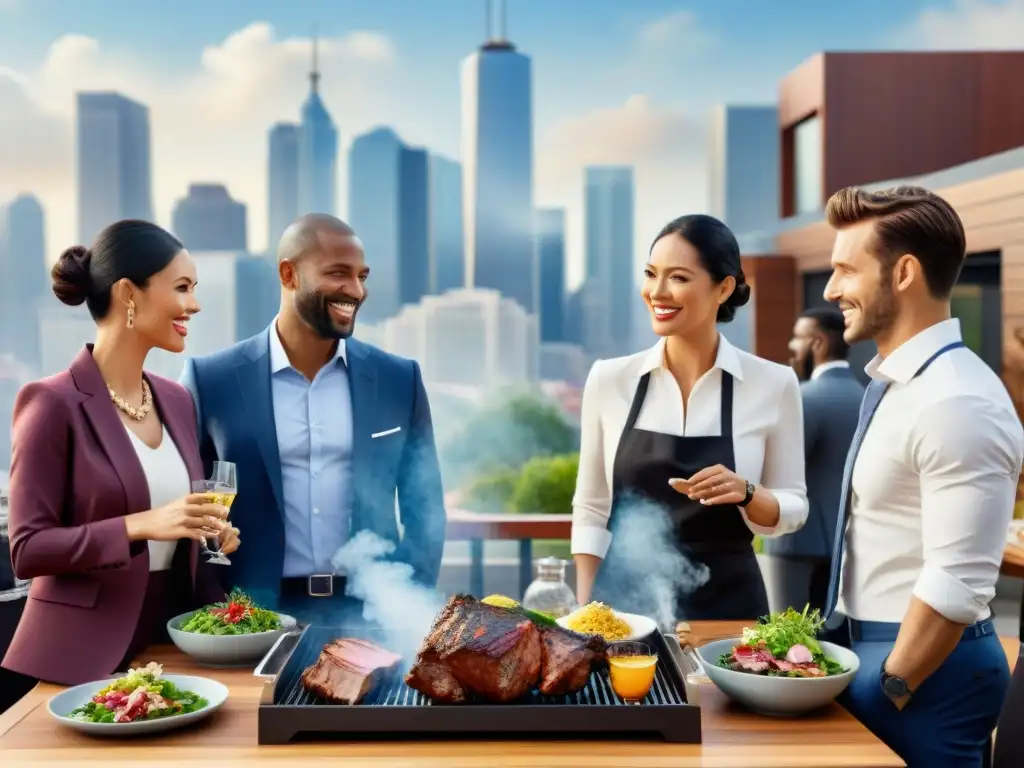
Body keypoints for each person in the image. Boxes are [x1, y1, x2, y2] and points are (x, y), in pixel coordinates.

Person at [821, 185, 1022, 768]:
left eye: (845, 270)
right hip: (878, 655)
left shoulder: (956, 399)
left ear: (903, 272)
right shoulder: (903, 386)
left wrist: (890, 685)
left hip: (923, 672)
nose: (832, 289)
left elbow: (956, 583)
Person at [1, 220, 238, 686]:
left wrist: (208, 537)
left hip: (176, 642)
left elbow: (176, 529)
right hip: (81, 654)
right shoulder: (50, 403)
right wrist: (142, 525)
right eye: (183, 287)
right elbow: (27, 549)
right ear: (130, 293)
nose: (195, 304)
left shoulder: (176, 399)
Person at [180, 213, 446, 624]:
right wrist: (215, 605)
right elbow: (187, 504)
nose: (355, 290)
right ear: (289, 274)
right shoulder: (211, 379)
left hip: (373, 614)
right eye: (338, 274)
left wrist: (405, 601)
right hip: (249, 617)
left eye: (362, 276)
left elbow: (425, 509)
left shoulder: (399, 379)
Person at [570, 213, 809, 622]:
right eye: (650, 274)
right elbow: (592, 508)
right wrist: (587, 614)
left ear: (724, 287)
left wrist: (748, 492)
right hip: (623, 611)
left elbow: (794, 506)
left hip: (731, 614)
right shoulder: (609, 379)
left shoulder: (775, 383)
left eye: (678, 278)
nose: (657, 292)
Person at [763, 307, 863, 614]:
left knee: (788, 644)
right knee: (829, 643)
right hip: (846, 544)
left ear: (817, 343)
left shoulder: (804, 397)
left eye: (797, 338)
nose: (792, 348)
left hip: (795, 543)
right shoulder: (866, 396)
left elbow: (772, 472)